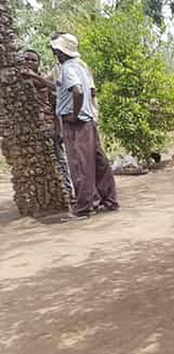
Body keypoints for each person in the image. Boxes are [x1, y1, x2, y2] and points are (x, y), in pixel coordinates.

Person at [51, 33, 118, 219]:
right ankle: (109, 201)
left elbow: (78, 91)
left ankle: (84, 208)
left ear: (60, 51)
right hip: (87, 120)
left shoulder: (67, 68)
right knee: (97, 161)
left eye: (55, 49)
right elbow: (69, 89)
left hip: (76, 122)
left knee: (80, 164)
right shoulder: (81, 66)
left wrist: (74, 113)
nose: (54, 52)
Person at [19, 49, 75, 200]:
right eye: (26, 59)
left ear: (38, 64)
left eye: (33, 60)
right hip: (26, 132)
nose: (29, 62)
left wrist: (59, 129)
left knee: (59, 161)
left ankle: (68, 193)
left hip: (48, 127)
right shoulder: (17, 86)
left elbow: (56, 107)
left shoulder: (45, 83)